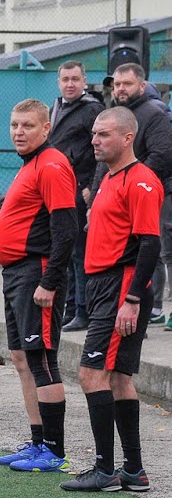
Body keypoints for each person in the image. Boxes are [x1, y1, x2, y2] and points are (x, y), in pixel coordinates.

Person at [61, 106, 162, 492]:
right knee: (118, 376)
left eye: (103, 134)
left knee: (91, 373)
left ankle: (105, 471)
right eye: (94, 134)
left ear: (127, 138)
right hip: (103, 284)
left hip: (122, 286)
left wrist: (133, 299)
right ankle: (133, 471)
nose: (95, 140)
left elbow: (151, 243)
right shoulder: (107, 176)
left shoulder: (142, 181)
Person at [0, 99, 77, 473]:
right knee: (22, 358)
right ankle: (38, 441)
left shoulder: (53, 164)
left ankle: (54, 451)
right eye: (14, 125)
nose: (19, 132)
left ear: (46, 128)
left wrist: (49, 282)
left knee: (42, 360)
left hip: (35, 274)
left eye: (27, 126)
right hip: (16, 274)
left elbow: (67, 229)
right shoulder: (32, 165)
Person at [92, 64, 172, 330]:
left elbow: (162, 154)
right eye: (116, 84)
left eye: (126, 84)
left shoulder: (155, 112)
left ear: (142, 85)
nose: (120, 89)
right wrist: (96, 198)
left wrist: (131, 186)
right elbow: (104, 166)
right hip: (119, 195)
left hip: (154, 193)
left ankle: (157, 307)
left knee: (158, 249)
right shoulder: (114, 117)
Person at [48, 61, 104, 332]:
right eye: (65, 79)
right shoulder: (57, 108)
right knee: (66, 252)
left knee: (80, 252)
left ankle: (83, 310)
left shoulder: (92, 109)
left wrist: (90, 187)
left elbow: (100, 150)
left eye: (75, 79)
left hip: (80, 190)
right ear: (59, 82)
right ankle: (70, 307)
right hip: (59, 189)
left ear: (84, 81)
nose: (70, 83)